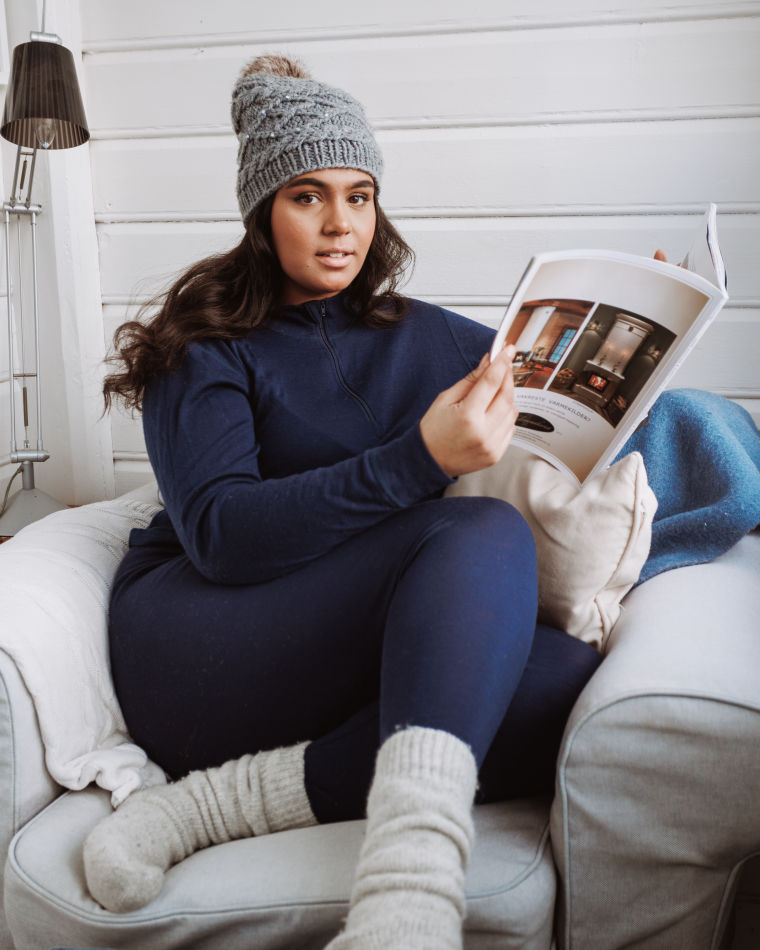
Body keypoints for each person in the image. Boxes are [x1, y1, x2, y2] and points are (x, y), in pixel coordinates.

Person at [83, 54, 602, 948]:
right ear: (262, 211)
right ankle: (407, 901)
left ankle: (214, 806)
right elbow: (221, 535)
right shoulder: (203, 340)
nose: (340, 225)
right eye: (307, 196)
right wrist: (418, 459)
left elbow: (556, 383)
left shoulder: (420, 332)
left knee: (563, 680)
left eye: (359, 196)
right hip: (202, 640)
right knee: (476, 530)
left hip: (339, 652)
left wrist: (640, 331)